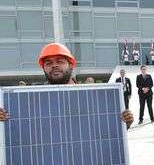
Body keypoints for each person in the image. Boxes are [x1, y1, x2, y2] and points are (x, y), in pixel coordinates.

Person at [0, 43, 133, 127]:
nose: (54, 65)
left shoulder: (92, 96)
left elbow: (105, 131)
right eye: (49, 63)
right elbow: (23, 133)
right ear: (44, 69)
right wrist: (3, 120)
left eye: (60, 61)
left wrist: (124, 123)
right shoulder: (32, 101)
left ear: (71, 65)